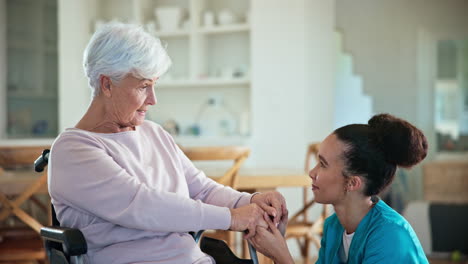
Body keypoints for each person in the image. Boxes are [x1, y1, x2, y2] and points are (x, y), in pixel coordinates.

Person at [48, 22, 287, 264]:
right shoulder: (73, 150)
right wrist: (231, 218)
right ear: (107, 84)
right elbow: (141, 205)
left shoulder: (154, 133)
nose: (153, 99)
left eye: (154, 85)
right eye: (143, 86)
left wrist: (250, 201)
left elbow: (203, 190)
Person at [248, 114, 429, 264]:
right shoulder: (334, 227)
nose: (312, 172)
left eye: (323, 164)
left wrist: (281, 255)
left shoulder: (390, 237)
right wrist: (277, 245)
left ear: (352, 183)